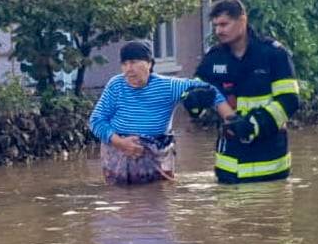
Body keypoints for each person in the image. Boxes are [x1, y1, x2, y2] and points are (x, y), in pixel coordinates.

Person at [90, 40, 234, 185]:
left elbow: (211, 90)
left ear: (149, 64)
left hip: (156, 156)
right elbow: (96, 120)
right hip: (118, 154)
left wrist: (230, 120)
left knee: (159, 195)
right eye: (124, 64)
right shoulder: (116, 85)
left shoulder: (169, 86)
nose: (128, 69)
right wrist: (120, 143)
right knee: (119, 197)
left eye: (133, 62)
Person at [192, 0, 300, 183]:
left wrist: (254, 124)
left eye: (224, 24)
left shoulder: (273, 54)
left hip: (270, 168)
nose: (218, 31)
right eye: (216, 25)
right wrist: (193, 101)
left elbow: (289, 101)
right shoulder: (213, 58)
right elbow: (195, 105)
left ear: (242, 20)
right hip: (228, 171)